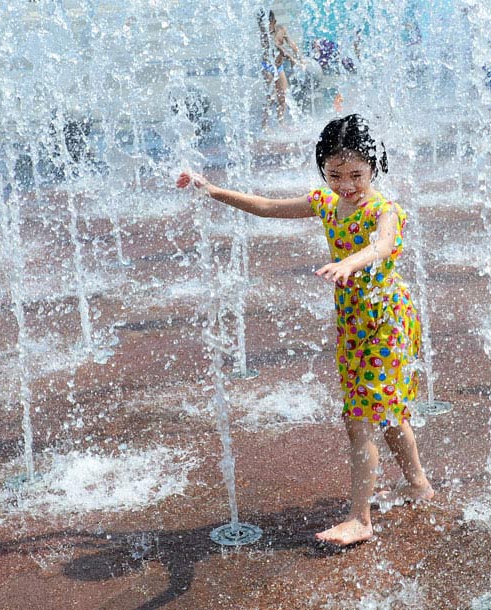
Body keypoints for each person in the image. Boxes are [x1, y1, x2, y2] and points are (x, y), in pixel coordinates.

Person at [176, 114, 434, 546]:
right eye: (335, 174)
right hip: (354, 320)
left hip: (386, 321)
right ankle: (418, 484)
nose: (346, 184)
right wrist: (212, 189)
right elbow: (267, 207)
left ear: (374, 167)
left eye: (356, 174)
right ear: (323, 170)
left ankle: (360, 520)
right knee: (387, 409)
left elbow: (383, 245)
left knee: (360, 419)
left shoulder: (384, 210)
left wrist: (349, 263)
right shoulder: (327, 202)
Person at [258, 10, 302, 125]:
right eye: (261, 25)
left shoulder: (281, 29)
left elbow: (292, 44)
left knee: (283, 97)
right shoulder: (264, 36)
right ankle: (264, 124)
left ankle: (281, 122)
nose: (264, 28)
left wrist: (301, 58)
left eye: (266, 25)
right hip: (267, 67)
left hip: (279, 67)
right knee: (271, 97)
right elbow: (278, 48)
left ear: (274, 22)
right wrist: (292, 59)